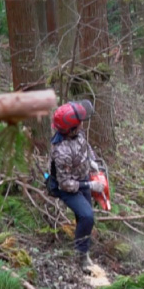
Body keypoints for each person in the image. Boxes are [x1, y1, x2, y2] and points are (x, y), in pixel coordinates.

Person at [50, 100, 104, 272]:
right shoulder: (61, 151)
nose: (81, 125)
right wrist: (90, 184)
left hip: (83, 178)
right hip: (68, 188)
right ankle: (81, 256)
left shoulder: (77, 134)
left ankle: (83, 245)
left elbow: (85, 147)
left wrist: (93, 162)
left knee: (84, 218)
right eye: (78, 123)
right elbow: (65, 183)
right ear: (70, 128)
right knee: (87, 216)